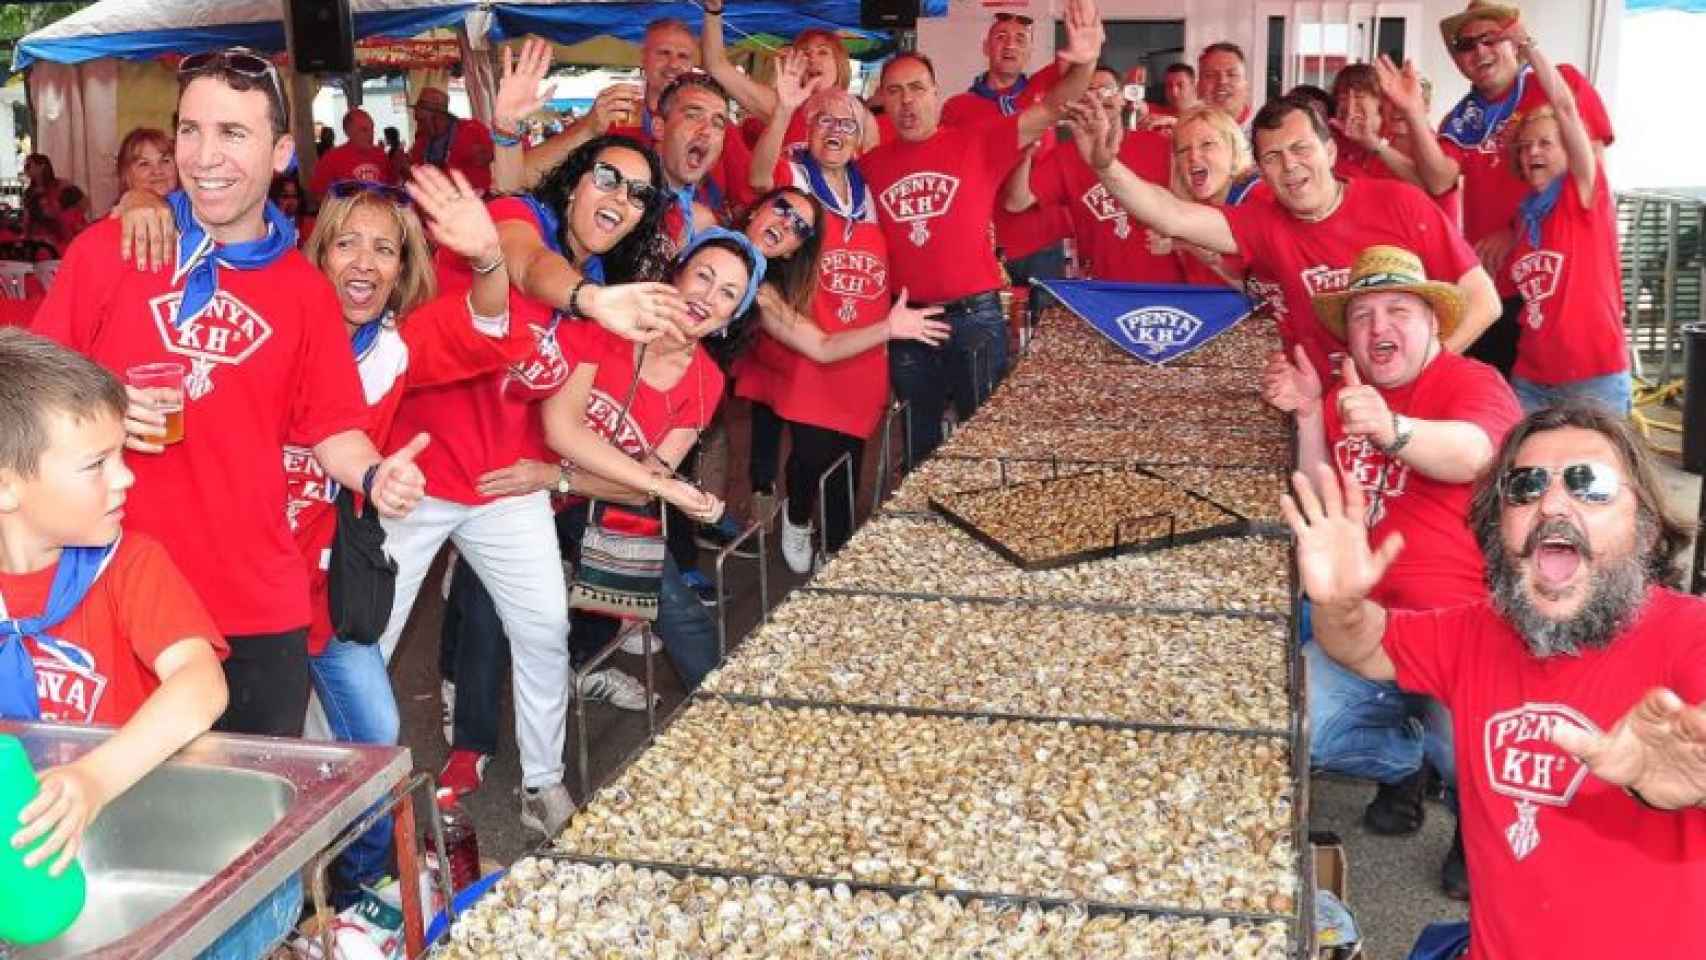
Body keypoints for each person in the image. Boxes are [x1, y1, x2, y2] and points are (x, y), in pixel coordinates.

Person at [32, 47, 430, 739]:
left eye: (232, 134)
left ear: (280, 151)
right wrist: (106, 409)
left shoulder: (306, 292)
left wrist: (374, 471)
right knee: (119, 822)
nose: (204, 155)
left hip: (254, 606)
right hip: (110, 591)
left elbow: (331, 423)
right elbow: (25, 392)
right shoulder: (110, 251)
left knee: (255, 828)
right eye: (191, 130)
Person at [1283, 400, 1706, 960]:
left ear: (1647, 528)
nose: (1552, 502)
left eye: (1591, 484)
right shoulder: (1479, 631)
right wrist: (1339, 603)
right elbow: (1363, 645)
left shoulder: (1690, 636)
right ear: (1498, 526)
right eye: (1525, 487)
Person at [382, 134, 687, 828]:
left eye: (639, 195)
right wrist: (587, 299)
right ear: (577, 182)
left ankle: (542, 785)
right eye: (608, 178)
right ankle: (334, 791)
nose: (621, 199)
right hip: (415, 473)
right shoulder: (523, 218)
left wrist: (655, 483)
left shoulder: (603, 296)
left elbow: (564, 425)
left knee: (546, 627)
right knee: (367, 642)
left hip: (503, 486)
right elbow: (521, 267)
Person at [289, 170, 530, 899]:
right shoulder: (273, 323)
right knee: (265, 750)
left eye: (384, 250)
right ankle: (282, 903)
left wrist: (488, 258)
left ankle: (359, 891)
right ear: (319, 253)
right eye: (347, 245)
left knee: (375, 730)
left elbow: (490, 324)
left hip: (332, 582)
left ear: (403, 270)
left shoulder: (399, 346)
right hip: (247, 582)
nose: (363, 263)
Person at [1265, 244, 1522, 900]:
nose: (1379, 327)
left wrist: (1395, 428)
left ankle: (1473, 825)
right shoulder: (1349, 396)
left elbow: (1478, 452)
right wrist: (1306, 417)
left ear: (1433, 321)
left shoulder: (1471, 383)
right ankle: (1405, 766)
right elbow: (1326, 491)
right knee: (1303, 730)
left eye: (1398, 310)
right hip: (1360, 626)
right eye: (1363, 315)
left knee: (1480, 752)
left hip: (1460, 631)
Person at [1076, 92, 1498, 388]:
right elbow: (1169, 214)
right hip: (1320, 403)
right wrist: (1105, 166)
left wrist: (1417, 373)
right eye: (1274, 157)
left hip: (1410, 398)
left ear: (1330, 153)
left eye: (1301, 149)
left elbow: (1483, 301)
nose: (1290, 166)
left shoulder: (1399, 203)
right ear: (1259, 168)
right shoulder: (1263, 221)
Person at [0, 328, 228, 877]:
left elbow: (201, 684)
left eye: (120, 455)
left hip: (130, 827)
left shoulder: (130, 565)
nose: (125, 478)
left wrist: (94, 780)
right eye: (96, 464)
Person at [860, 0, 1104, 468]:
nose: (908, 100)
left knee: (983, 445)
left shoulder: (977, 140)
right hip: (909, 322)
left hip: (976, 316)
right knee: (917, 445)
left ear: (936, 94)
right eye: (895, 91)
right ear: (884, 100)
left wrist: (1086, 60)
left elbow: (1054, 105)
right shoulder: (868, 167)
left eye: (917, 88)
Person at [744, 74, 951, 571]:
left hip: (866, 338)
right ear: (807, 131)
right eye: (823, 121)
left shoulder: (871, 187)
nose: (835, 132)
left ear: (861, 140)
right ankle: (797, 515)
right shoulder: (794, 179)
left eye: (847, 124)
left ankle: (837, 549)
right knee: (813, 448)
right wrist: (781, 112)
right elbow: (757, 181)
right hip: (812, 336)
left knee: (850, 453)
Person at [1376, 0, 1615, 378]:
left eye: (1490, 38)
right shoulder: (1462, 117)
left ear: (1514, 42)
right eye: (1465, 45)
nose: (1478, 52)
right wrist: (1413, 114)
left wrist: (1514, 231)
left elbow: (1591, 169)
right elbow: (1439, 178)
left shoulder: (1559, 82)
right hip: (1492, 285)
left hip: (1559, 285)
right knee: (1504, 406)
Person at [1501, 29, 1629, 415]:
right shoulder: (1525, 218)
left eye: (1544, 143)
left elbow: (1566, 106)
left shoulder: (1584, 195)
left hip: (1594, 378)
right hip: (1531, 378)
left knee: (1603, 475)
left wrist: (1528, 50)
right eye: (1524, 147)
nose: (1531, 153)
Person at [493, 22, 755, 210]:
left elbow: (750, 195)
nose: (674, 64)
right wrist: (587, 128)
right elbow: (522, 178)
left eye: (683, 56)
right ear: (643, 58)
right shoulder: (611, 116)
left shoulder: (717, 129)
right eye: (664, 53)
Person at [1005, 66, 1181, 284]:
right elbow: (1016, 202)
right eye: (1089, 91)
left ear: (1123, 99)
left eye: (1107, 90)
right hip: (1101, 291)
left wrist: (1181, 128)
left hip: (1167, 287)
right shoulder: (1066, 155)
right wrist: (1024, 154)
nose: (1098, 98)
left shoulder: (1159, 145)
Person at [700, 9, 861, 152]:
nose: (812, 58)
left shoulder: (860, 115)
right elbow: (717, 66)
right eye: (805, 53)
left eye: (823, 52)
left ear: (840, 64)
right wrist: (713, 12)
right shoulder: (781, 106)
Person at [1155, 103, 1263, 289]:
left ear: (1234, 149)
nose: (1194, 156)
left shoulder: (1259, 198)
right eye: (1183, 149)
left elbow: (1263, 293)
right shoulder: (1189, 206)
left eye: (1207, 144)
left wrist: (1192, 245)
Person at [940, 12, 1062, 133]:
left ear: (1029, 52)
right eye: (1001, 37)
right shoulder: (957, 107)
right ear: (986, 47)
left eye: (1020, 40)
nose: (1010, 45)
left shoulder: (1046, 93)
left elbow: (1077, 67)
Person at [407, 87, 495, 196]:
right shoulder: (421, 142)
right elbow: (415, 174)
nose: (418, 126)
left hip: (476, 203)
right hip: (440, 205)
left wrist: (485, 154)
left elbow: (496, 155)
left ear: (438, 117)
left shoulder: (473, 129)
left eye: (421, 121)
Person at [309, 108, 396, 201]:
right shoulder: (331, 159)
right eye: (364, 130)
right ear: (348, 132)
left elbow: (392, 190)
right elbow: (318, 195)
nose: (370, 134)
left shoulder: (381, 155)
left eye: (372, 128)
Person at [1197, 42, 1252, 126]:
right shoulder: (1185, 133)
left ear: (1245, 86)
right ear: (1198, 87)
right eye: (1211, 75)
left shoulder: (1266, 133)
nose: (1222, 81)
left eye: (1232, 74)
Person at [115, 127, 178, 200]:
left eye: (165, 161)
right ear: (126, 174)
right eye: (144, 164)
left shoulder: (191, 207)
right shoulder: (120, 211)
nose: (157, 171)